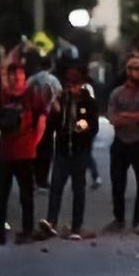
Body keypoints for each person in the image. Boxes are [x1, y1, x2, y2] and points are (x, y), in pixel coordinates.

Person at [38, 67, 98, 240]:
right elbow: (53, 125)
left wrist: (83, 128)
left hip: (80, 150)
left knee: (78, 189)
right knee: (56, 187)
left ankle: (76, 226)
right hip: (63, 149)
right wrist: (54, 109)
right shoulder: (63, 100)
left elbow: (93, 126)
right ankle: (51, 222)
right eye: (69, 85)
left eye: (76, 85)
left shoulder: (88, 102)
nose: (73, 89)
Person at [0, 81, 53, 245]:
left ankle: (27, 230)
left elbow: (42, 119)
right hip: (5, 153)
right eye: (12, 75)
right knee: (0, 194)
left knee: (26, 194)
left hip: (24, 152)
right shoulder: (3, 96)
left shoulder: (31, 95)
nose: (15, 80)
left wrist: (34, 143)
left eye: (18, 75)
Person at [106, 55, 139, 231]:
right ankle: (119, 218)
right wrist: (135, 118)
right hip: (120, 141)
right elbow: (113, 119)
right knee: (117, 181)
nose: (138, 72)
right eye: (134, 69)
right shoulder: (117, 93)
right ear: (127, 71)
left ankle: (138, 220)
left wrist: (127, 116)